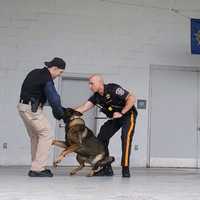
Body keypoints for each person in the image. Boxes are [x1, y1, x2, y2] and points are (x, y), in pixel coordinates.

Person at [76, 74, 137, 177]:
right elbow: (84, 107)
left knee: (125, 137)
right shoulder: (96, 97)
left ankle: (125, 169)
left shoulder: (113, 89)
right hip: (115, 118)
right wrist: (67, 113)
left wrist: (122, 112)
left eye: (92, 83)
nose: (90, 86)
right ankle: (107, 168)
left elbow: (131, 98)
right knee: (101, 138)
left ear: (100, 83)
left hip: (127, 114)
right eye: (89, 84)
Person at [17, 57, 67, 177]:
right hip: (32, 109)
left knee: (36, 136)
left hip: (22, 107)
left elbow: (35, 91)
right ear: (54, 68)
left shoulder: (35, 72)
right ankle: (38, 168)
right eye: (60, 72)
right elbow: (54, 98)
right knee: (47, 134)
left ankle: (35, 165)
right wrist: (59, 113)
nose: (59, 75)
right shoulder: (47, 78)